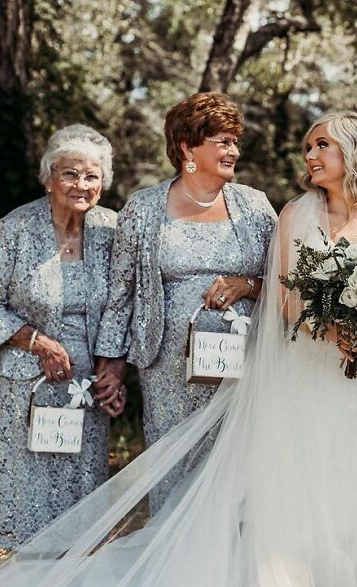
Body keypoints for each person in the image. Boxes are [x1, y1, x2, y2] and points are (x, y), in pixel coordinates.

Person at [0, 111, 357, 586]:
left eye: (320, 146)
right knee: (265, 477)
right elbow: (277, 297)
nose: (308, 156)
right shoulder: (283, 214)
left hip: (353, 370)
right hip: (225, 364)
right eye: (307, 146)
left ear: (353, 151)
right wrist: (330, 331)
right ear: (187, 148)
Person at [93, 92, 277, 511]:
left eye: (235, 141)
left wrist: (246, 284)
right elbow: (121, 293)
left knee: (240, 468)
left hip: (243, 364)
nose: (234, 150)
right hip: (167, 371)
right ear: (187, 147)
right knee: (175, 468)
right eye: (222, 141)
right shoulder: (142, 208)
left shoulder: (254, 205)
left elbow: (284, 283)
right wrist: (113, 364)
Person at [0, 124, 122, 549]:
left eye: (92, 176)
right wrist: (40, 342)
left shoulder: (113, 229)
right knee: (28, 488)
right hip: (28, 380)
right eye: (70, 174)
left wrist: (114, 368)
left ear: (103, 183)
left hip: (86, 380)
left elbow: (124, 302)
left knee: (84, 484)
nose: (81, 185)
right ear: (49, 176)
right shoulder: (15, 229)